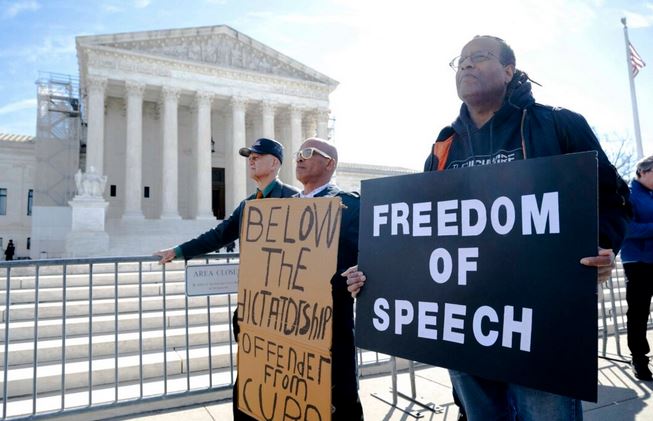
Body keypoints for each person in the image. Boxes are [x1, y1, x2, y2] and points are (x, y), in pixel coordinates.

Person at [345, 35, 630, 420]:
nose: (465, 65)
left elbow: (614, 197)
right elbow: (422, 230)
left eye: (478, 57)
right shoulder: (445, 144)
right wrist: (377, 273)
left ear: (509, 70)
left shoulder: (558, 124)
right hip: (464, 326)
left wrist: (601, 244)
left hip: (538, 327)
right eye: (460, 61)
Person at [153, 137, 299, 421]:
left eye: (258, 155)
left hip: (285, 310)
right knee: (248, 380)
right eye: (249, 156)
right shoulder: (247, 206)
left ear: (275, 163)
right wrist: (178, 251)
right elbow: (218, 236)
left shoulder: (293, 199)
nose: (251, 160)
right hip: (253, 308)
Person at [294, 137, 364, 420]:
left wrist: (361, 272)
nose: (299, 157)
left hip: (332, 320)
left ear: (329, 163)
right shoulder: (282, 209)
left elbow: (370, 253)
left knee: (341, 396)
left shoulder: (349, 206)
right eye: (298, 153)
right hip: (292, 320)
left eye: (309, 153)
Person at [621, 155, 653, 381]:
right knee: (639, 312)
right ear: (642, 172)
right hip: (638, 263)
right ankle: (639, 359)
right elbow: (628, 229)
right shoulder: (628, 195)